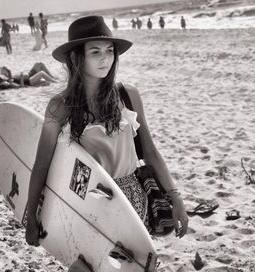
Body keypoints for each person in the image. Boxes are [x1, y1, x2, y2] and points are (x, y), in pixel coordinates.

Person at [24, 16, 188, 272]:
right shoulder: (61, 106)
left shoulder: (127, 95)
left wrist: (176, 198)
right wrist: (31, 217)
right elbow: (42, 164)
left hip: (131, 202)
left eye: (110, 51)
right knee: (86, 268)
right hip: (87, 202)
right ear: (78, 57)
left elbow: (151, 152)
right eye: (95, 52)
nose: (105, 58)